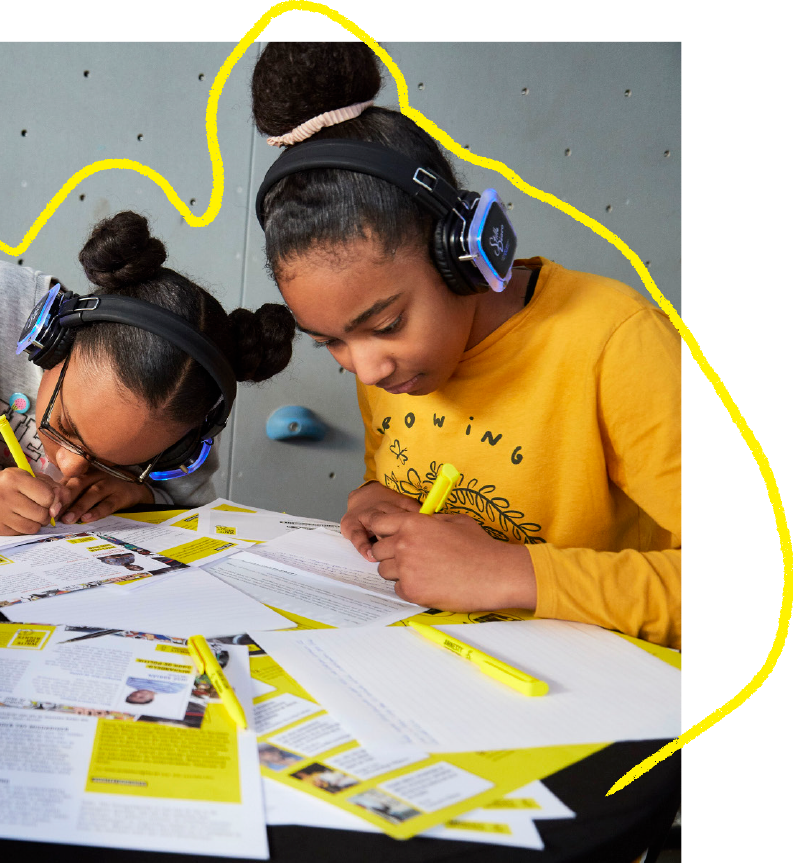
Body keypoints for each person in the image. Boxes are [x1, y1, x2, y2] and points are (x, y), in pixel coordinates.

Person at [249, 41, 681, 648]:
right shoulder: (395, 364)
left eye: (388, 325)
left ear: (466, 257)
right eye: (331, 343)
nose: (366, 370)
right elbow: (394, 469)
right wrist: (373, 497)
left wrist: (511, 573)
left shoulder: (616, 342)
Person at [0, 211, 295, 534]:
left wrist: (140, 493)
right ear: (52, 342)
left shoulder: (184, 400)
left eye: (111, 461)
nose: (67, 468)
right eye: (65, 427)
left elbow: (192, 515)